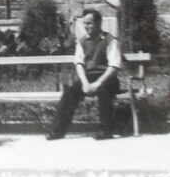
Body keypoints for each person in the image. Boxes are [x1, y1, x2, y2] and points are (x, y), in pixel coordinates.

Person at [46, 8, 122, 141]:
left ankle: (105, 130)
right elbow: (79, 64)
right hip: (88, 77)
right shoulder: (82, 41)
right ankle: (57, 131)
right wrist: (86, 83)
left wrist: (98, 83)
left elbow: (114, 66)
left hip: (107, 78)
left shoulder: (110, 40)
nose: (87, 26)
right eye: (85, 23)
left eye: (90, 23)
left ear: (99, 23)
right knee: (70, 91)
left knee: (104, 91)